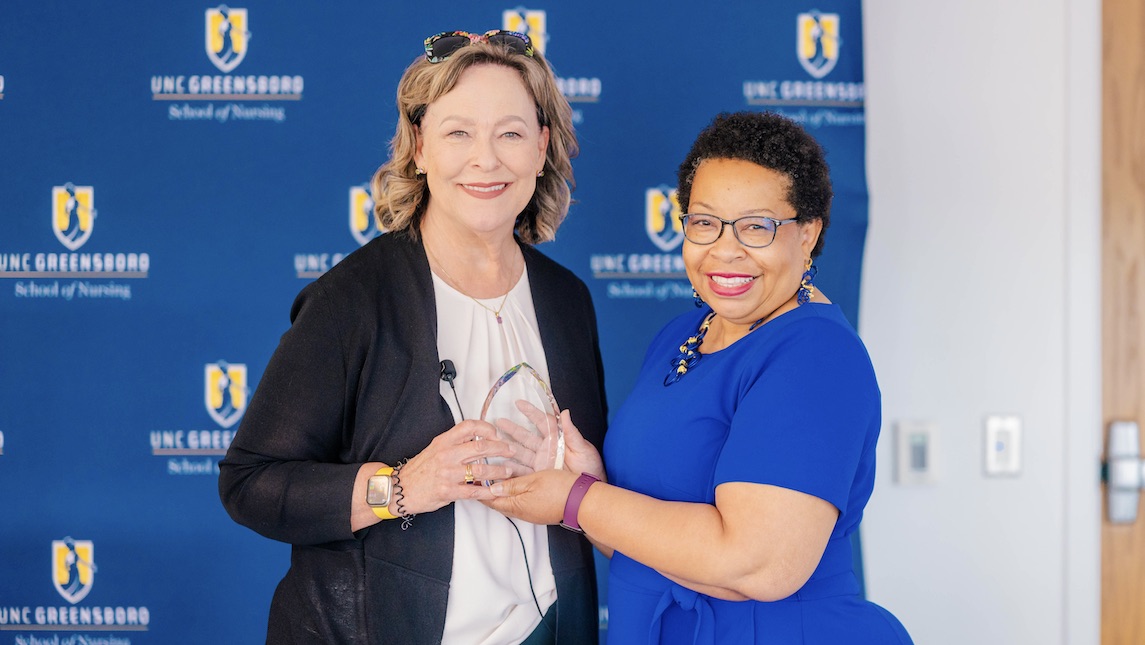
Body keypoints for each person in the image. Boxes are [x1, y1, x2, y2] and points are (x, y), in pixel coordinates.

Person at [219, 30, 607, 645]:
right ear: (419, 147)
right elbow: (250, 484)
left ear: (543, 147)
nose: (486, 159)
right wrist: (400, 488)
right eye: (458, 132)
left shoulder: (567, 300)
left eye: (510, 132)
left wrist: (590, 488)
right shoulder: (351, 299)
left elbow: (583, 487)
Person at [488, 112, 914, 644]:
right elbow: (652, 544)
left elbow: (757, 564)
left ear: (807, 235)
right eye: (704, 222)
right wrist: (591, 485)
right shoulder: (683, 336)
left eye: (757, 226)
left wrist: (576, 500)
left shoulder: (815, 353)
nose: (725, 249)